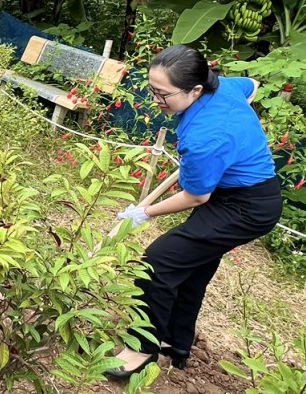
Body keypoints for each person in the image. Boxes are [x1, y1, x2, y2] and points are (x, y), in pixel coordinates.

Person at [104, 45, 282, 381]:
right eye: (152, 89)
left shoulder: (204, 138)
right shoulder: (224, 87)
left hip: (247, 207)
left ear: (196, 89)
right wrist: (239, 112)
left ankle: (141, 349)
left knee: (158, 261)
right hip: (230, 194)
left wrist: (145, 212)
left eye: (163, 93)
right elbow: (253, 84)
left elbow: (196, 196)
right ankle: (176, 340)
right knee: (191, 266)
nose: (156, 99)